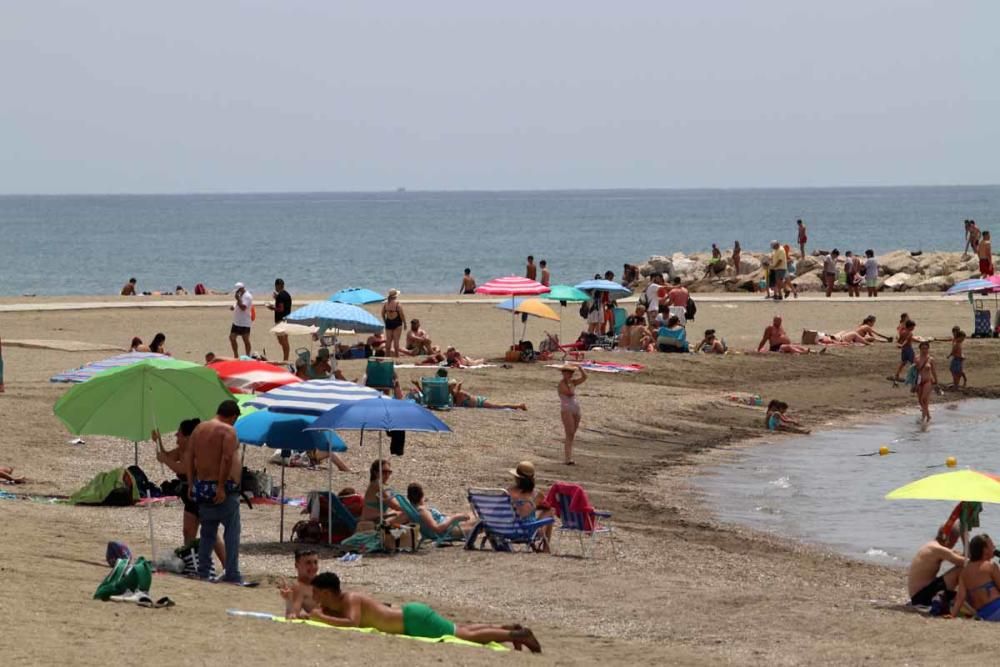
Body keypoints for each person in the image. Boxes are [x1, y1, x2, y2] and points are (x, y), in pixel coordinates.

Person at [309, 572, 541, 651]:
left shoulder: (350, 599)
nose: (314, 598)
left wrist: (322, 617)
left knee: (465, 636)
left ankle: (516, 636)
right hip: (412, 616)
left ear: (328, 593)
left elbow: (352, 623)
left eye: (317, 593)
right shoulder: (342, 601)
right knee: (460, 630)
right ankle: (506, 629)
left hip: (413, 621)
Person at [184, 399, 244, 583]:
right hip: (221, 488)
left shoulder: (199, 429)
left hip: (201, 486)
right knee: (232, 531)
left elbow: (189, 455)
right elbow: (226, 458)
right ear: (233, 417)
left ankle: (203, 572)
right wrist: (220, 486)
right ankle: (232, 573)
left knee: (207, 532)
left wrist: (190, 483)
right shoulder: (228, 431)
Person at [153, 419, 225, 567]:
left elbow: (182, 469)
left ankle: (227, 566)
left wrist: (164, 460)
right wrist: (158, 441)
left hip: (203, 496)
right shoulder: (182, 450)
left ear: (188, 437)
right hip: (190, 497)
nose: (176, 438)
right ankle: (191, 563)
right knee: (188, 531)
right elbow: (167, 455)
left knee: (211, 533)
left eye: (178, 435)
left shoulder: (198, 451)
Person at [908, 525, 965, 608]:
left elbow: (961, 557)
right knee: (959, 570)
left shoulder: (932, 545)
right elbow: (965, 563)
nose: (954, 545)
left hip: (918, 595)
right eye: (955, 542)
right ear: (949, 538)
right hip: (921, 598)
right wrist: (964, 541)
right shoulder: (938, 549)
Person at [507, 461, 554, 551]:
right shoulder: (536, 495)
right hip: (528, 532)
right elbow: (548, 505)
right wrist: (534, 506)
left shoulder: (508, 491)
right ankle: (546, 548)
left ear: (517, 478)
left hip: (507, 529)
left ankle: (538, 547)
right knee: (550, 511)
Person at [952, 534, 1000, 620]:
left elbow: (960, 598)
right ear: (985, 550)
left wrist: (952, 616)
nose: (994, 547)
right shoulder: (991, 566)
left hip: (984, 615)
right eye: (991, 545)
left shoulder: (964, 572)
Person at [406, 483, 476, 538]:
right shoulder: (422, 511)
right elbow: (437, 529)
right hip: (449, 531)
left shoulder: (411, 509)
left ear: (408, 497)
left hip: (448, 525)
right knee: (480, 522)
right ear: (422, 495)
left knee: (475, 515)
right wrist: (454, 517)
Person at [360, 459, 405, 526]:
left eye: (389, 472)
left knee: (402, 512)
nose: (387, 475)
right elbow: (395, 506)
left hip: (377, 519)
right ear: (376, 472)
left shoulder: (377, 484)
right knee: (407, 514)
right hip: (371, 522)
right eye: (384, 472)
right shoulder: (376, 485)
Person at [557, 364, 586, 465]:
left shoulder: (572, 382)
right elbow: (569, 393)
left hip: (575, 408)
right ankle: (567, 458)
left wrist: (581, 369)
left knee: (572, 433)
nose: (568, 374)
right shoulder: (562, 384)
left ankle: (569, 456)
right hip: (566, 409)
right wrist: (570, 383)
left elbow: (584, 378)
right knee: (569, 433)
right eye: (566, 372)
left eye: (570, 373)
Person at [279, 549, 320, 619]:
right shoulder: (299, 587)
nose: (313, 566)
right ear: (296, 565)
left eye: (315, 562)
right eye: (308, 563)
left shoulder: (324, 581)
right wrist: (288, 600)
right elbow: (292, 616)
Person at [447, 378, 526, 410]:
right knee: (498, 405)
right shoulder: (455, 395)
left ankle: (519, 405)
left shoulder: (459, 394)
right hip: (479, 402)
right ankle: (517, 406)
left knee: (499, 406)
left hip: (480, 402)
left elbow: (457, 405)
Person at [266, 278, 292, 362]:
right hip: (286, 319)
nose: (275, 288)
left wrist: (272, 307)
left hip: (281, 320)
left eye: (276, 286)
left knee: (283, 340)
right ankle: (286, 358)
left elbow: (281, 309)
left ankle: (286, 359)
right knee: (283, 340)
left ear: (278, 285)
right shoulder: (286, 294)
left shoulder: (281, 296)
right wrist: (277, 298)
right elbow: (284, 304)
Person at [915, 341, 939, 422]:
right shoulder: (916, 358)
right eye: (923, 348)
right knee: (920, 400)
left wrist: (936, 382)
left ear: (928, 349)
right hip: (919, 381)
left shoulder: (930, 359)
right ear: (920, 349)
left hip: (928, 381)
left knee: (924, 399)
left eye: (926, 348)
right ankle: (928, 416)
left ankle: (923, 418)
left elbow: (934, 371)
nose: (924, 350)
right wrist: (913, 383)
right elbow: (914, 372)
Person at [229, 282, 253, 358]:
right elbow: (238, 303)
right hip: (236, 322)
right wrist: (234, 306)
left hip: (244, 322)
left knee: (245, 340)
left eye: (237, 290)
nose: (236, 292)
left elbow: (243, 307)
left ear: (241, 289)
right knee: (232, 338)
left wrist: (238, 298)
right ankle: (236, 355)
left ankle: (248, 356)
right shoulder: (240, 295)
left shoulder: (248, 296)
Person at [381, 289, 405, 357]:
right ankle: (397, 355)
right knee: (396, 340)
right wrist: (405, 323)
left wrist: (385, 321)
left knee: (388, 340)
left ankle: (387, 355)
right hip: (397, 322)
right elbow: (401, 315)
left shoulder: (386, 304)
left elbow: (382, 313)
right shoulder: (397, 304)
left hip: (388, 322)